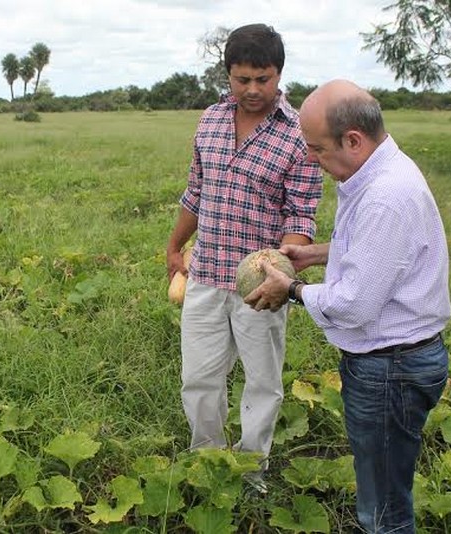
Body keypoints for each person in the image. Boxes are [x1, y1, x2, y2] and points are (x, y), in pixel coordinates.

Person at [245, 79, 451, 532]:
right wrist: (318, 253)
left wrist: (292, 289)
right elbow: (378, 252)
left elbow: (354, 304)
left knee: (383, 510)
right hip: (396, 363)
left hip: (391, 369)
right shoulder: (381, 172)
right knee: (384, 487)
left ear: (353, 140)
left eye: (317, 149)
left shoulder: (385, 197)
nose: (311, 160)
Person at [165, 23, 323, 492]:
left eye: (263, 78)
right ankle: (207, 462)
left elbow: (301, 213)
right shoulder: (211, 120)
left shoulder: (299, 134)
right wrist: (174, 246)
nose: (253, 89)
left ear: (279, 74)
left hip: (260, 285)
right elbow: (195, 192)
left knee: (262, 383)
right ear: (228, 75)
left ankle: (252, 471)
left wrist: (279, 272)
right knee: (199, 378)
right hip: (205, 273)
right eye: (242, 79)